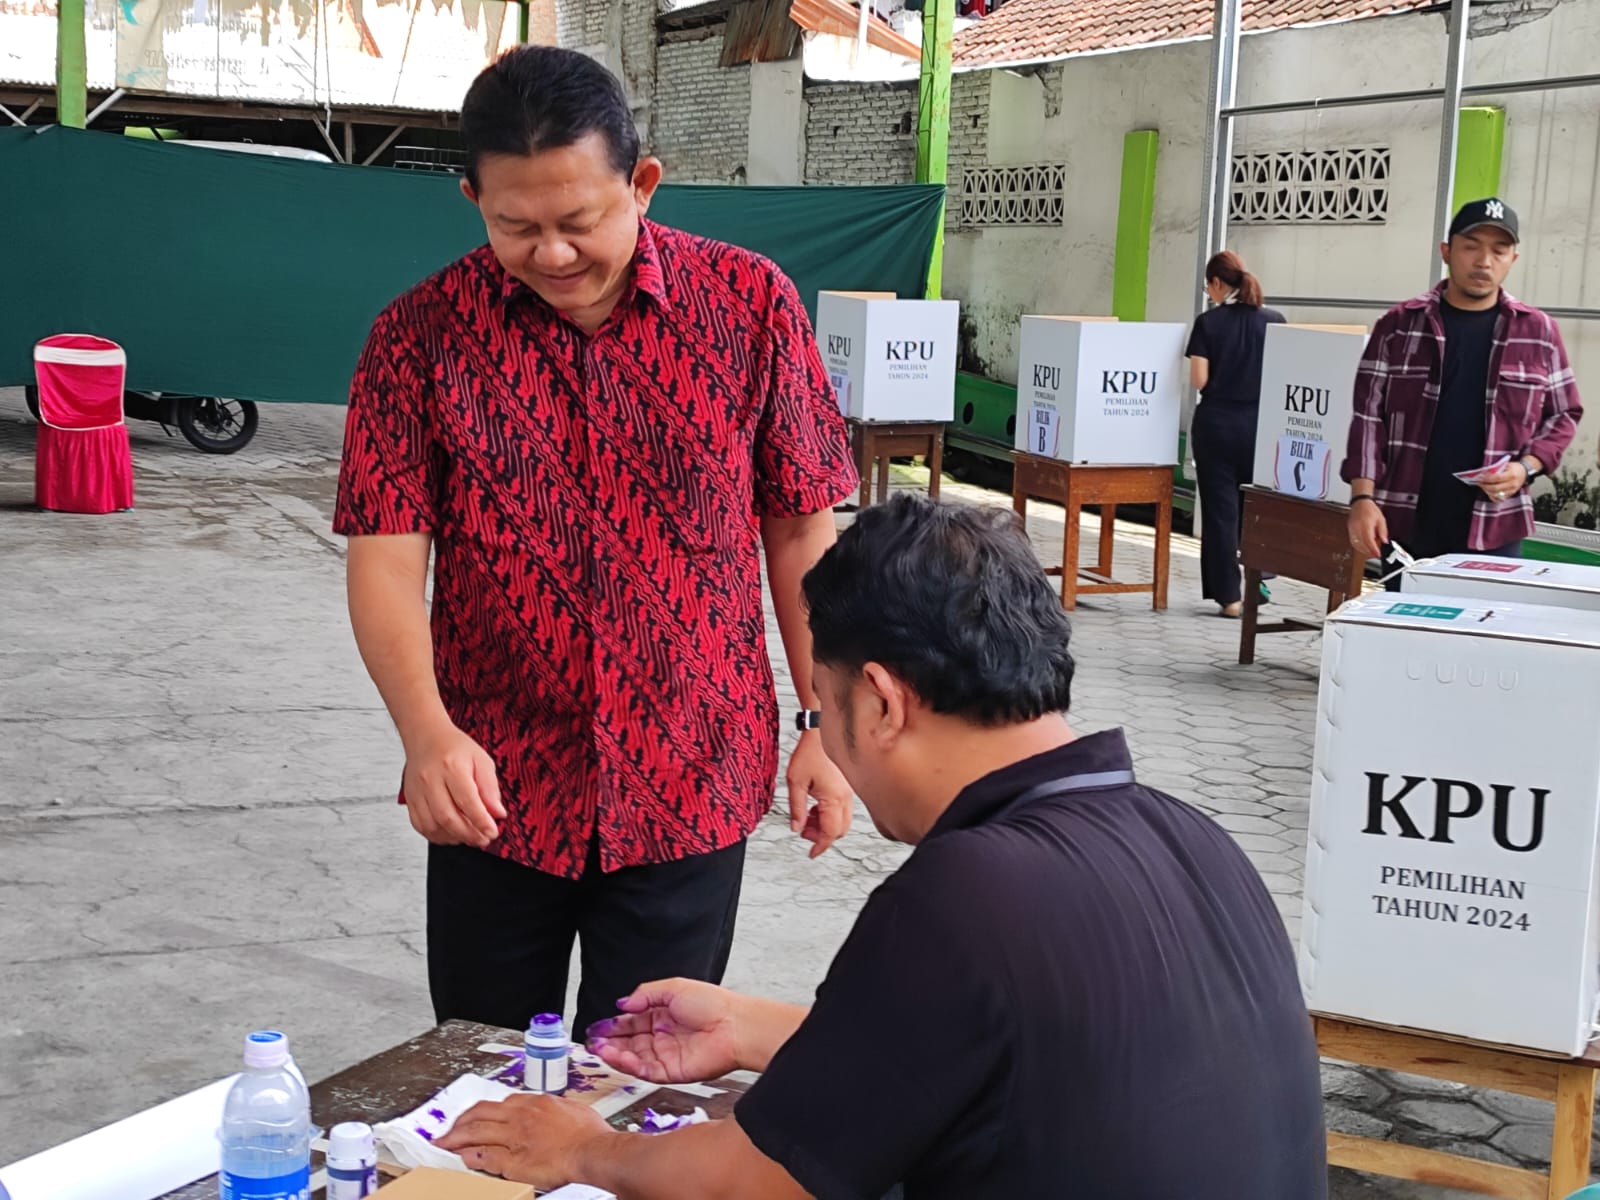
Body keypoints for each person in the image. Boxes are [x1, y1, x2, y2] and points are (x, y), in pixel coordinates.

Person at [438, 495, 1328, 1199]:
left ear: (883, 702)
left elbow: (752, 1184)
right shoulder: (1194, 837)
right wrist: (753, 1029)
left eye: (821, 711)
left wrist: (584, 1151)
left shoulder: (968, 892)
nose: (828, 742)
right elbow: (1007, 1059)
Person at [333, 46, 859, 1037]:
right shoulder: (418, 340)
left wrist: (822, 723)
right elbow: (387, 562)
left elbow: (800, 530)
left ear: (641, 184)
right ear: (471, 199)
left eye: (580, 222)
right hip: (494, 785)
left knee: (638, 1076)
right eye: (515, 227)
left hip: (689, 774)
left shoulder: (749, 309)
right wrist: (426, 731)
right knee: (481, 1070)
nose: (554, 254)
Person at [1345, 197, 1582, 577]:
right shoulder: (1399, 325)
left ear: (1512, 259)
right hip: (1408, 519)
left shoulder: (1538, 331)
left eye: (1498, 250)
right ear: (1447, 251)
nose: (1483, 261)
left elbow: (1565, 413)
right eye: (1471, 247)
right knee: (1407, 629)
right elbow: (1368, 416)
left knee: (1484, 631)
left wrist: (1525, 468)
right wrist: (1362, 498)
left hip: (1497, 524)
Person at [1186, 250, 1285, 617]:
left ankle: (1230, 597)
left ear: (1216, 283)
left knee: (1221, 513)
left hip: (1216, 426)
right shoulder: (1275, 321)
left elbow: (1200, 380)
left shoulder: (1208, 324)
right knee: (1256, 509)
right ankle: (1259, 580)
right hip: (1260, 425)